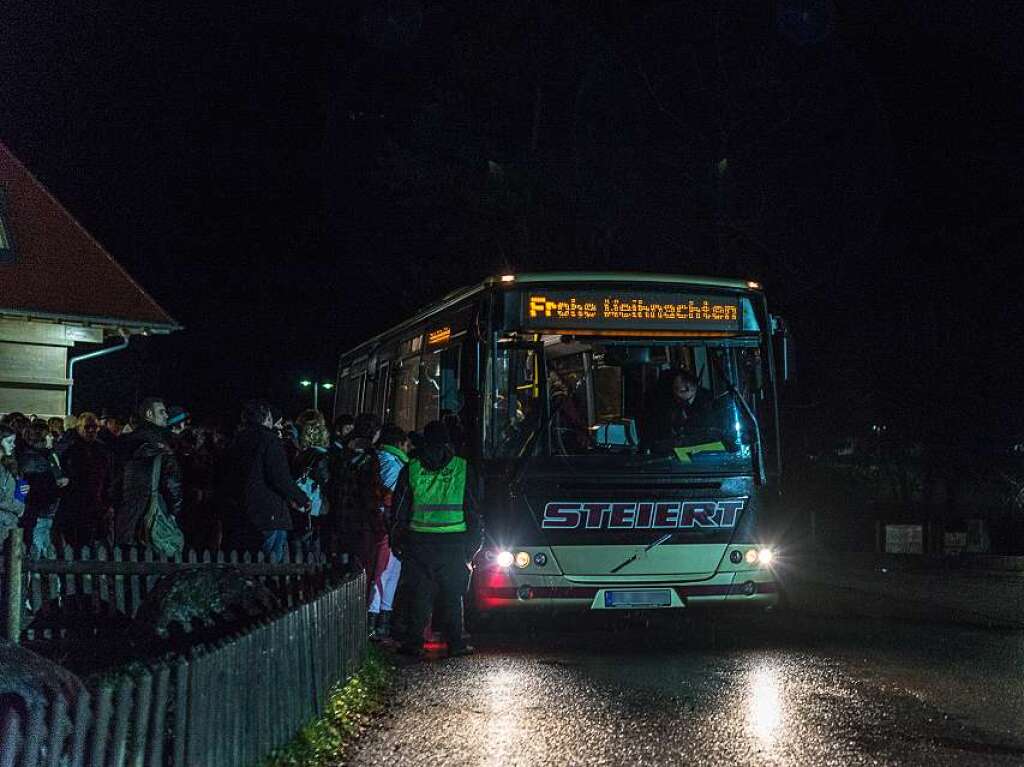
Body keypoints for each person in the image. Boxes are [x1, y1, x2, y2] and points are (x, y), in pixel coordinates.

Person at [391, 420, 483, 658]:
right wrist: (473, 545)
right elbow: (473, 509)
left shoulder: (411, 468)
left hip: (418, 542)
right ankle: (456, 644)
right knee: (453, 596)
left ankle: (414, 644)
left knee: (419, 595)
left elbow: (399, 509)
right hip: (455, 543)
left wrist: (397, 541)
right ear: (448, 442)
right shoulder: (462, 469)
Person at [220, 399, 310, 562]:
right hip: (269, 513)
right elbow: (279, 477)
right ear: (267, 418)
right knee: (270, 562)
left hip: (242, 511)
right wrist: (301, 498)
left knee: (246, 560)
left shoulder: (236, 440)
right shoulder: (269, 440)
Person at [112, 397, 183, 546]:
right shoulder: (160, 444)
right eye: (162, 412)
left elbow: (113, 481)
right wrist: (175, 511)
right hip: (153, 517)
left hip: (126, 516)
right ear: (150, 414)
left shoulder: (125, 443)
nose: (166, 415)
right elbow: (172, 482)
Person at [369, 425, 411, 640]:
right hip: (389, 525)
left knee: (385, 573)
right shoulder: (393, 463)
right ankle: (377, 622)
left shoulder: (378, 459)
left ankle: (380, 620)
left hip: (385, 525)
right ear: (399, 444)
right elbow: (393, 495)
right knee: (385, 573)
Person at [327, 413, 382, 571]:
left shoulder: (341, 452)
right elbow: (370, 491)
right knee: (359, 566)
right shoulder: (370, 457)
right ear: (374, 432)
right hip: (361, 520)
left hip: (338, 514)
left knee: (340, 564)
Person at [59, 412, 114, 548]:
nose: (91, 430)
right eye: (87, 427)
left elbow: (108, 478)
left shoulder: (102, 450)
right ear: (79, 428)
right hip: (75, 502)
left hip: (97, 501)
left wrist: (107, 501)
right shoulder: (70, 449)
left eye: (94, 427)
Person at [18, 420, 67, 558]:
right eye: (49, 435)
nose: (52, 437)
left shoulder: (49, 454)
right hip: (39, 510)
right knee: (37, 547)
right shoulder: (32, 459)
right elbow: (28, 485)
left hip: (48, 509)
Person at [642, 368, 715, 446]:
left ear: (690, 388)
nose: (674, 394)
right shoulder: (666, 403)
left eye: (677, 389)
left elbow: (706, 434)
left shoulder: (709, 403)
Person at [292, 417, 332, 556]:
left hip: (301, 504)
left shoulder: (301, 456)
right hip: (317, 504)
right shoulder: (323, 457)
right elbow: (325, 480)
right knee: (315, 540)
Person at [0, 424, 26, 544]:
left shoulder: (8, 465)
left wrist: (20, 491)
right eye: (9, 442)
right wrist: (18, 507)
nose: (13, 445)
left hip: (8, 524)